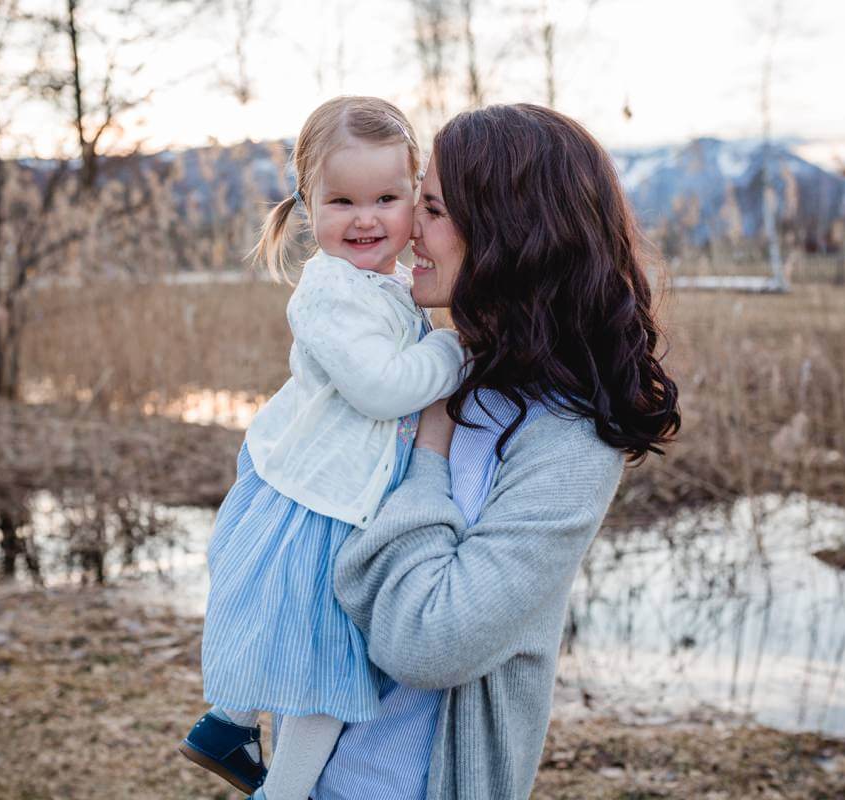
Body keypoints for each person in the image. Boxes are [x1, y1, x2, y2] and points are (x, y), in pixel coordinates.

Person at [311, 103, 681, 800]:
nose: (407, 227)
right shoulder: (424, 370)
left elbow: (427, 640)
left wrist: (429, 452)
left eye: (434, 209)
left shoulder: (567, 439)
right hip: (314, 773)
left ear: (512, 235)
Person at [177, 96, 466, 800]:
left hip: (331, 495)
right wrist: (455, 350)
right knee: (325, 673)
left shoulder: (390, 285)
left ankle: (230, 725)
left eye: (387, 198)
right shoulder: (332, 291)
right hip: (322, 505)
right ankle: (285, 791)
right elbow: (377, 387)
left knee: (302, 651)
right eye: (341, 200)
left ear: (414, 198)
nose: (365, 219)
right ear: (307, 204)